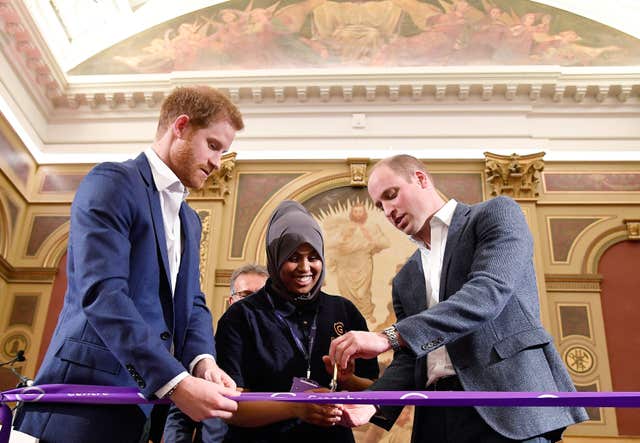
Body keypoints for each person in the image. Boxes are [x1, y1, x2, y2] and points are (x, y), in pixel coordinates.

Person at [14, 86, 244, 443]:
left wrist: (203, 363)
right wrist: (177, 383)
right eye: (213, 146)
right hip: (79, 406)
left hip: (139, 412)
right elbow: (103, 294)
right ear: (180, 127)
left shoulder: (190, 220)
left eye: (223, 152)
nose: (217, 162)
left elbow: (193, 302)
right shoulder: (112, 182)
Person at [329, 154, 589, 442]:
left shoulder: (496, 214)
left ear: (420, 178)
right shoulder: (406, 278)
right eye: (380, 206)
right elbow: (410, 357)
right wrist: (371, 402)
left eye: (391, 195)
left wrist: (386, 337)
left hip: (506, 407)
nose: (388, 211)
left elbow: (487, 293)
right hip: (436, 417)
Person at [215, 200, 380, 442]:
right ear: (275, 257)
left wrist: (349, 381)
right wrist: (294, 407)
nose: (305, 267)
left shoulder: (343, 311)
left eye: (313, 256)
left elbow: (375, 391)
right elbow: (230, 404)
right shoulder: (242, 316)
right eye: (293, 257)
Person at [163, 264, 269, 442]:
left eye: (260, 297)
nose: (252, 304)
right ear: (231, 301)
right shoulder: (204, 353)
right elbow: (180, 414)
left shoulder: (280, 351)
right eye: (245, 296)